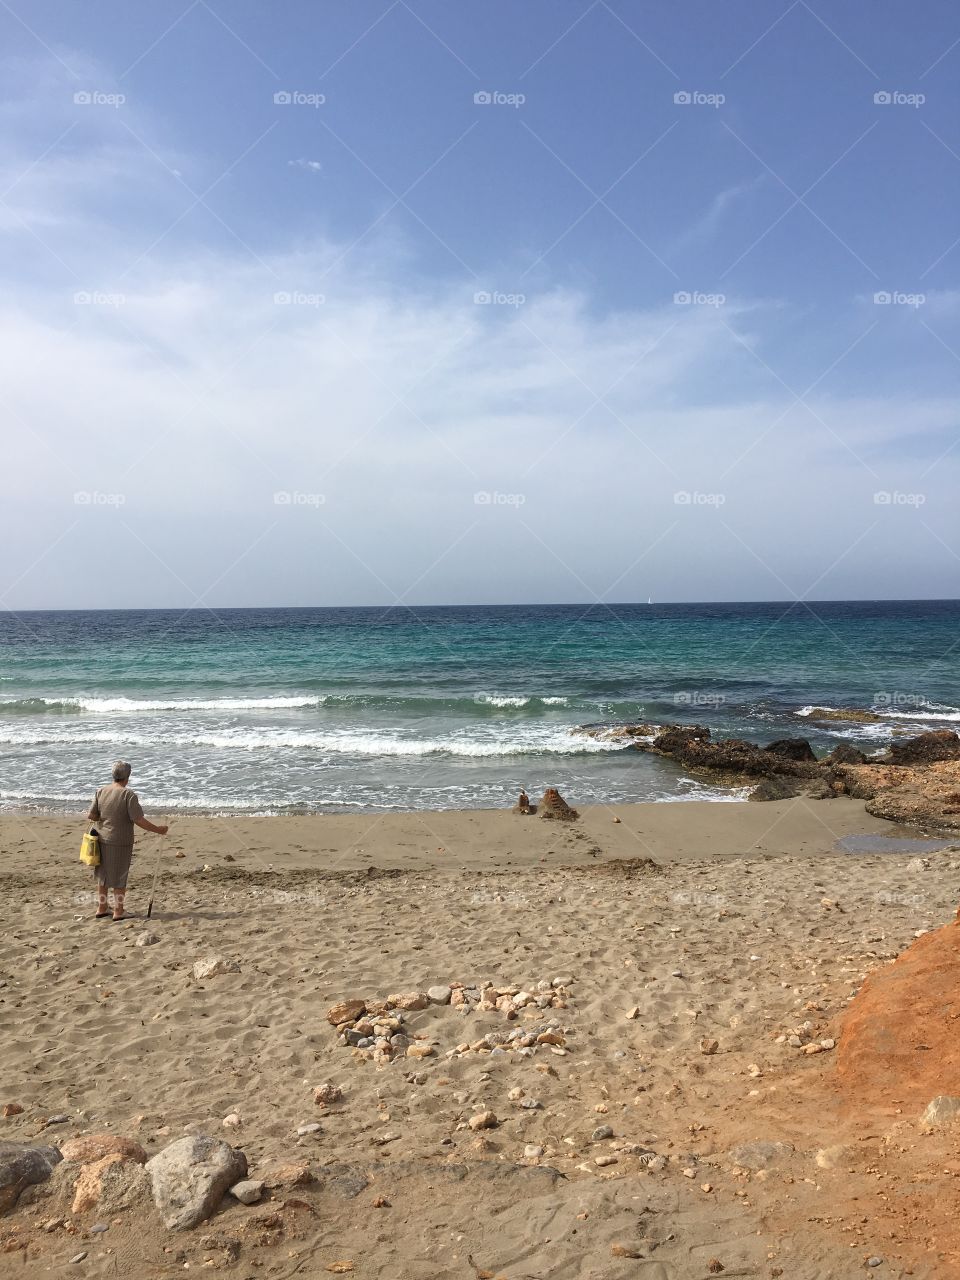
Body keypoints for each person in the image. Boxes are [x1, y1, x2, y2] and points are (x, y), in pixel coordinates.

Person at [86, 761, 168, 921]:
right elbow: (138, 820)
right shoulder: (128, 795)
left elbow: (92, 815)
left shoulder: (101, 791)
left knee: (102, 875)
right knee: (119, 876)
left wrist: (106, 817)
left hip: (101, 838)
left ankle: (102, 907)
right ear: (127, 777)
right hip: (120, 841)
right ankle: (118, 911)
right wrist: (159, 829)